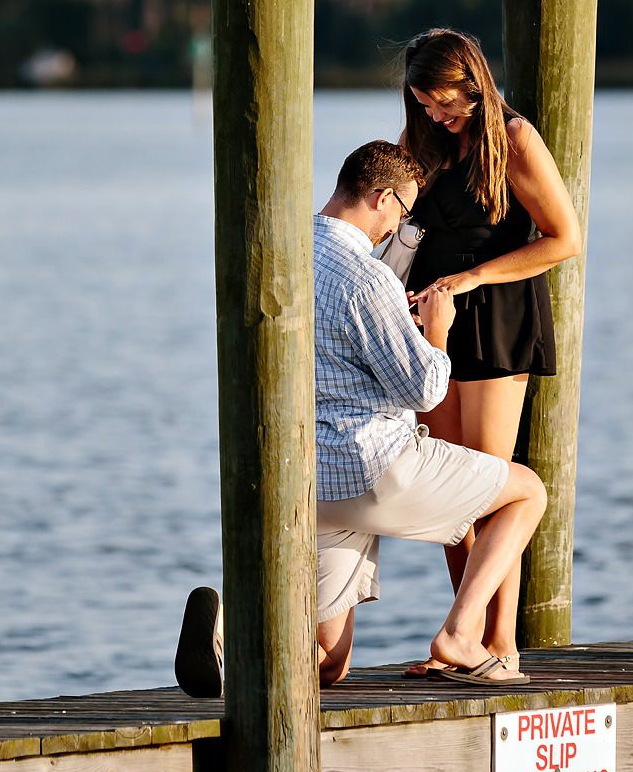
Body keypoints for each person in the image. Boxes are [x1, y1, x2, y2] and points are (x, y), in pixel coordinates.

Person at [175, 140, 548, 695]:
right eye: (403, 211)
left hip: (306, 480)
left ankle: (229, 632)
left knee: (329, 662)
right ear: (380, 198)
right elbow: (423, 390)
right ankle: (462, 634)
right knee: (526, 492)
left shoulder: (285, 251)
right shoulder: (367, 278)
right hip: (370, 467)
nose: (400, 228)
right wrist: (436, 325)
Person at [397, 28, 583, 676]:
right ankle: (464, 639)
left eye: (446, 104)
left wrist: (472, 279)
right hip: (433, 320)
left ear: (474, 82)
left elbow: (564, 238)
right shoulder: (422, 142)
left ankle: (501, 645)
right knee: (447, 489)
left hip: (497, 314)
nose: (437, 117)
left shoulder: (517, 138)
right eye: (424, 106)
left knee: (491, 484)